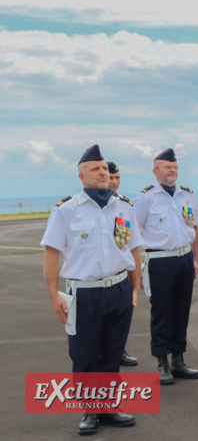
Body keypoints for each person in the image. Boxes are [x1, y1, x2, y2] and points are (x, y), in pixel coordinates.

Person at [41, 144, 142, 435]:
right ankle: (88, 409)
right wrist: (53, 296)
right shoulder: (67, 210)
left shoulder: (124, 207)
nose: (103, 173)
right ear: (82, 177)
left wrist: (135, 287)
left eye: (105, 169)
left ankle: (109, 407)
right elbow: (51, 254)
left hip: (118, 289)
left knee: (112, 352)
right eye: (96, 169)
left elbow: (133, 248)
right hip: (83, 294)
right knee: (84, 354)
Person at [132, 148, 198, 385]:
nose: (172, 171)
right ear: (155, 171)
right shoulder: (145, 198)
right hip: (159, 261)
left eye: (174, 167)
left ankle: (178, 360)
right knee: (162, 312)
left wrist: (194, 259)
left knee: (182, 310)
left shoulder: (187, 195)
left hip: (184, 259)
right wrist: (137, 269)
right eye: (167, 167)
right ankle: (162, 362)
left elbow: (194, 229)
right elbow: (132, 235)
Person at [105, 161, 139, 368]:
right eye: (111, 178)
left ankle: (118, 350)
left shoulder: (124, 206)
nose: (115, 182)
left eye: (117, 178)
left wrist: (136, 279)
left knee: (120, 319)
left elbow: (129, 243)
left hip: (121, 272)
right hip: (99, 274)